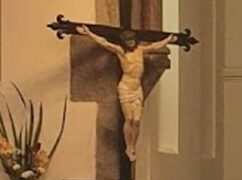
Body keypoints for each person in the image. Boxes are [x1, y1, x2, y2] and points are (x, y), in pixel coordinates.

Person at [75, 26, 177, 162]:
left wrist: (169, 39)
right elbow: (104, 43)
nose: (131, 43)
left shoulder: (140, 50)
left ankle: (134, 145)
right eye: (128, 41)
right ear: (124, 42)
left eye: (132, 40)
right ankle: (129, 147)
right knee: (129, 119)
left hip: (137, 88)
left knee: (137, 120)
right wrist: (88, 33)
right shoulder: (121, 52)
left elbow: (155, 46)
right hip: (126, 88)